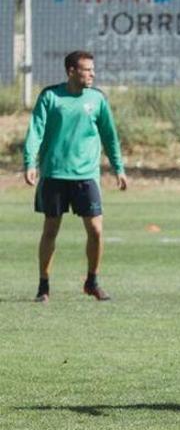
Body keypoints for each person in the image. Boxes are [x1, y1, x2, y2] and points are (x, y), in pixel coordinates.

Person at [23, 50, 128, 303]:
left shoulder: (97, 99)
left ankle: (92, 281)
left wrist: (118, 167)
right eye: (87, 69)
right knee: (51, 230)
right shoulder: (50, 96)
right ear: (71, 71)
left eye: (93, 69)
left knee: (96, 230)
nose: (92, 74)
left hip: (86, 175)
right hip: (55, 174)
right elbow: (35, 131)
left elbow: (109, 136)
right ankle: (43, 286)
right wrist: (30, 162)